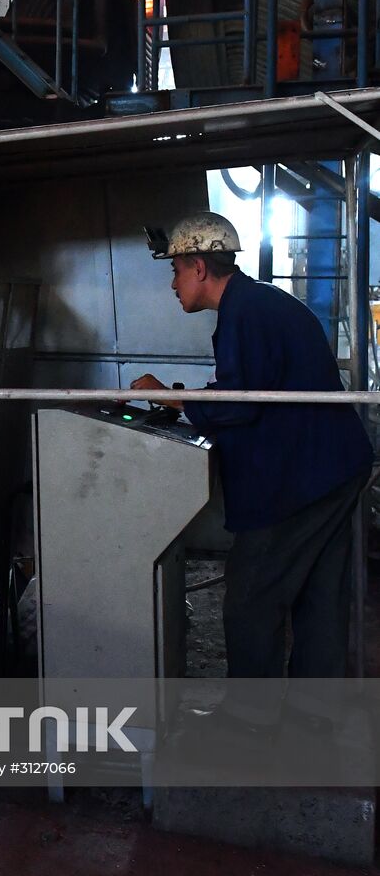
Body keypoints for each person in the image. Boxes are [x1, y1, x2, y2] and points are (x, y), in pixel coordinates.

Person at [130, 212, 373, 678]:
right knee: (320, 597)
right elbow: (251, 389)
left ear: (199, 266)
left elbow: (241, 402)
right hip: (334, 468)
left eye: (175, 271)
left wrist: (171, 397)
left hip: (299, 481)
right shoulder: (258, 302)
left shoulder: (246, 312)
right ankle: (316, 709)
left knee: (250, 602)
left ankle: (249, 715)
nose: (173, 284)